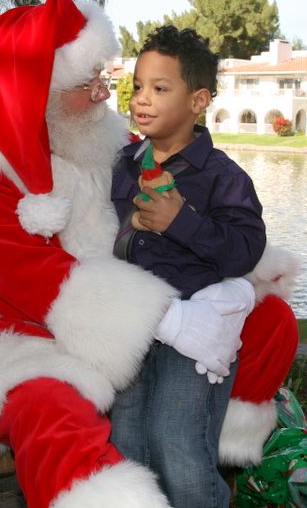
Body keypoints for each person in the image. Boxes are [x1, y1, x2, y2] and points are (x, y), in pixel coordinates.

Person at [0, 0, 299, 508]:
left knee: (270, 318)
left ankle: (197, 460)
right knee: (51, 411)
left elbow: (183, 215)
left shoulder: (107, 139)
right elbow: (22, 274)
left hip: (131, 315)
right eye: (88, 82)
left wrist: (236, 281)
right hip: (22, 334)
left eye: (105, 77)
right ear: (37, 90)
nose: (106, 94)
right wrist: (168, 319)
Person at [109, 25, 266, 508]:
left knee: (176, 439)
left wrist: (182, 221)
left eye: (160, 88)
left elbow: (245, 250)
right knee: (127, 438)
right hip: (135, 324)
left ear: (198, 101)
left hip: (193, 332)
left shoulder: (222, 177)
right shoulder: (123, 164)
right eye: (138, 86)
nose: (142, 99)